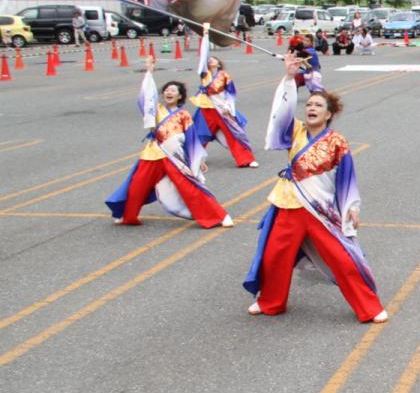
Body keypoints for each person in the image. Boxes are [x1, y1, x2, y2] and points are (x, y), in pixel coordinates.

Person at [242, 52, 388, 324]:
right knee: (275, 257)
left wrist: (352, 207)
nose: (311, 108)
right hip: (289, 204)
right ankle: (270, 302)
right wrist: (289, 77)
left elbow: (347, 179)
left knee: (342, 259)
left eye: (318, 105)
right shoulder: (294, 132)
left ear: (329, 114)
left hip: (321, 210)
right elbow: (281, 113)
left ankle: (369, 307)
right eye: (308, 104)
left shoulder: (337, 142)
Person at [106, 54, 233, 228]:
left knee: (189, 187)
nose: (168, 92)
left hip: (174, 158)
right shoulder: (156, 111)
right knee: (136, 188)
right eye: (166, 90)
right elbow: (146, 99)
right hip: (152, 154)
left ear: (180, 96)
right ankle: (128, 216)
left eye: (173, 90)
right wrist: (149, 72)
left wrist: (198, 159)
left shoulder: (184, 115)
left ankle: (218, 216)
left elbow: (191, 140)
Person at [191, 56, 258, 168]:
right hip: (206, 109)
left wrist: (227, 107)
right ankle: (193, 158)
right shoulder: (204, 75)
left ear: (218, 64)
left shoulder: (224, 75)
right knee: (198, 134)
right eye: (209, 59)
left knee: (232, 134)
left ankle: (246, 159)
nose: (210, 60)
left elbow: (231, 93)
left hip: (221, 109)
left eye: (213, 59)